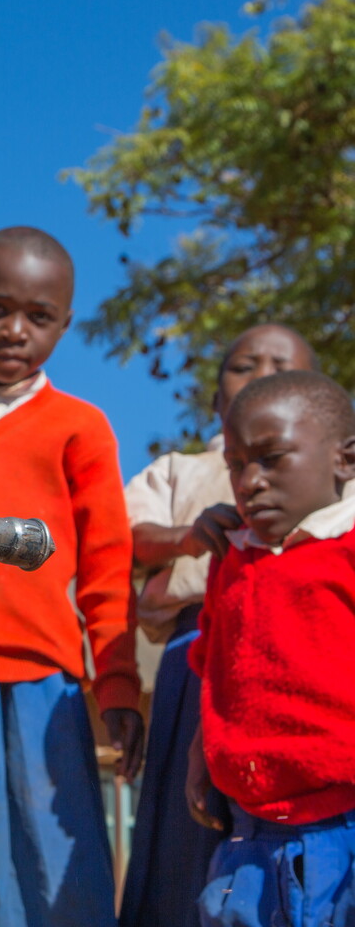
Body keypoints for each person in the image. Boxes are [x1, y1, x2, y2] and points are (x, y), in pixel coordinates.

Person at [0, 226, 143, 927]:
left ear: (66, 323)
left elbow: (106, 568)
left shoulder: (79, 427)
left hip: (43, 685)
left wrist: (116, 682)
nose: (14, 331)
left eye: (38, 317)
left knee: (56, 870)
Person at [119, 324, 319, 927]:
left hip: (301, 656)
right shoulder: (184, 469)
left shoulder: (328, 472)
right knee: (187, 829)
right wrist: (186, 535)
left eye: (280, 365)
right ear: (214, 398)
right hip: (194, 654)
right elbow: (123, 536)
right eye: (243, 366)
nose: (260, 376)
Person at [186, 370, 355, 927]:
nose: (248, 481)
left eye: (271, 458)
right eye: (235, 464)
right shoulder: (233, 557)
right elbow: (212, 666)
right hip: (250, 836)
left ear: (345, 461)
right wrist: (200, 757)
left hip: (344, 827)